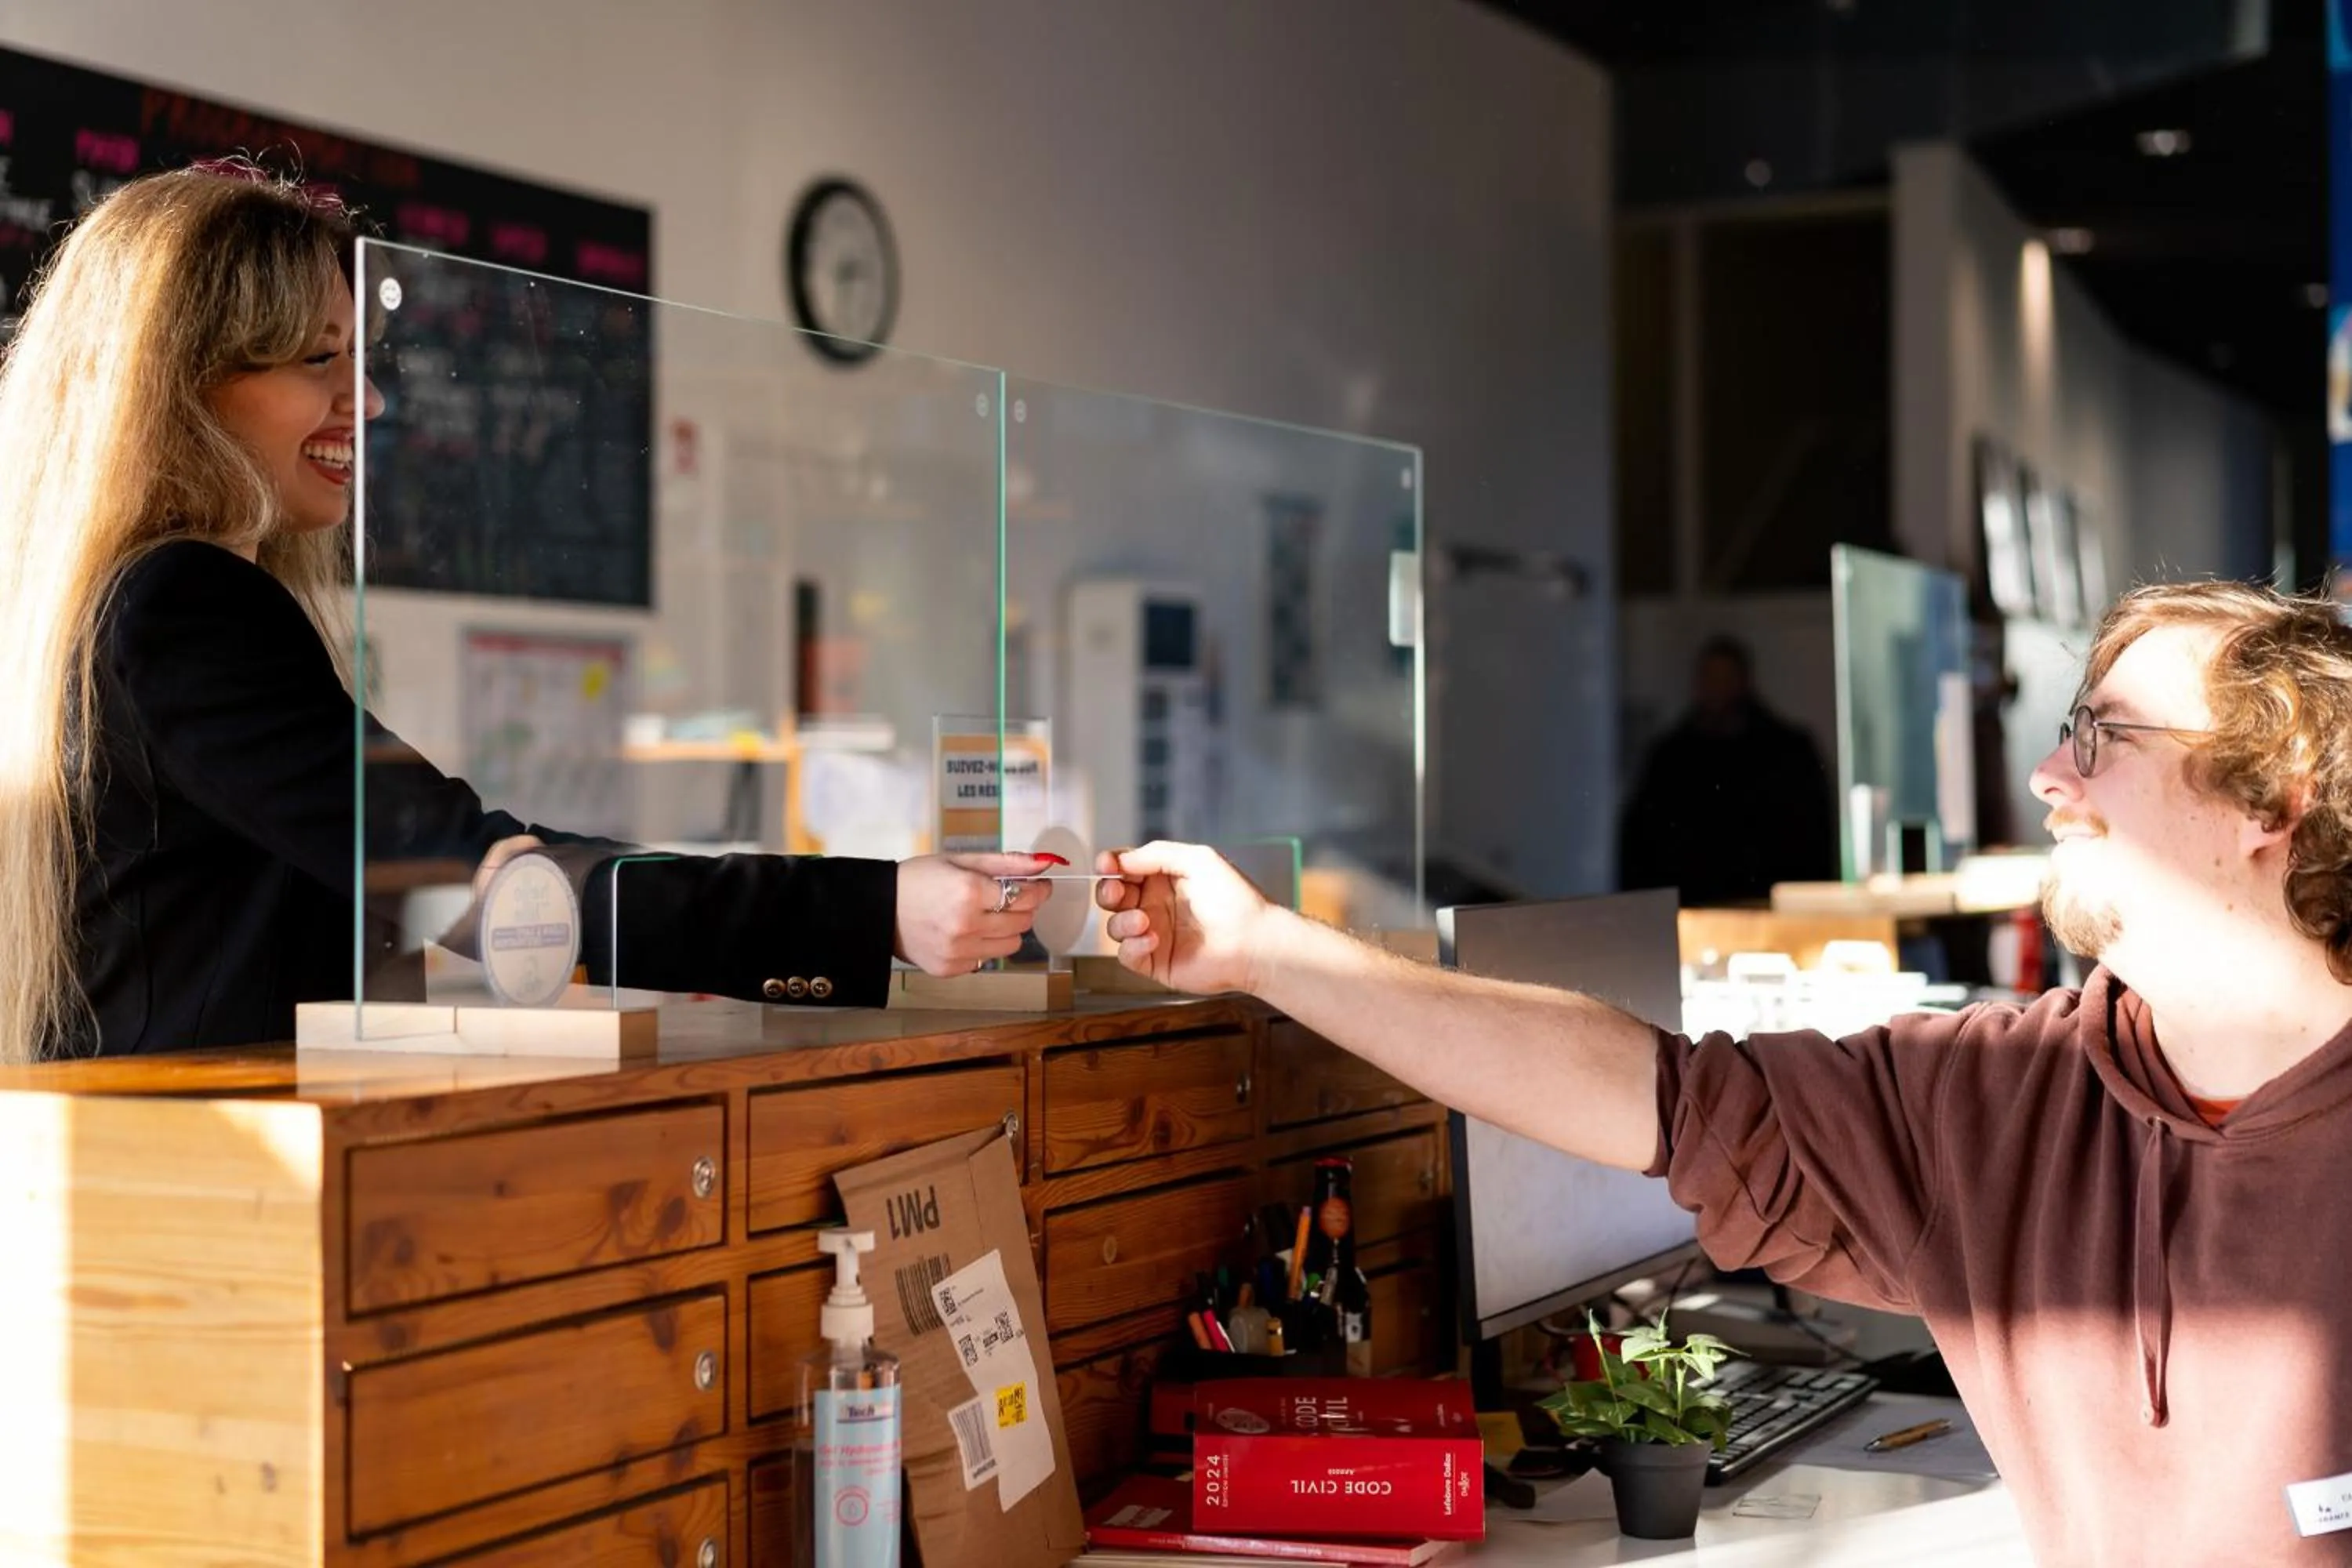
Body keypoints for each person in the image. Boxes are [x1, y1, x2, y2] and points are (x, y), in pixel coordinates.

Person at [1097, 580, 2352, 1565]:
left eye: (2104, 736)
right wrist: (1266, 951)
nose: (2049, 775)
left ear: (2273, 800)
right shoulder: (2001, 1103)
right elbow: (1651, 1093)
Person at [0, 163, 1053, 1064]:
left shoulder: (113, 604)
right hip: (200, 1197)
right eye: (321, 358)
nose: (364, 400)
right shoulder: (184, 605)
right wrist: (879, 911)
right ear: (187, 383)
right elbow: (483, 877)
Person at [1617, 634, 1835, 902]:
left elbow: (1811, 843)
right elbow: (1641, 845)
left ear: (1744, 682)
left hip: (1766, 908)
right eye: (1709, 679)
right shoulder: (1671, 758)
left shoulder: (1786, 753)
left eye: (1725, 679)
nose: (1717, 689)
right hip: (1691, 910)